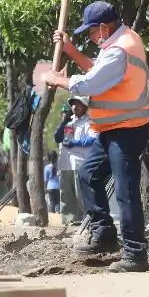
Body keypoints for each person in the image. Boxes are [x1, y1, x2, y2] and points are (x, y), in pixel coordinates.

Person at [43, 1, 149, 273]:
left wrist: (59, 80)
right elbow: (97, 71)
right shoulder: (117, 44)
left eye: (91, 32)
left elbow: (91, 83)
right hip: (113, 129)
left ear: (103, 28)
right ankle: (104, 233)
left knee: (126, 191)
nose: (91, 37)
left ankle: (135, 254)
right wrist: (71, 51)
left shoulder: (120, 50)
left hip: (127, 129)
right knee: (88, 174)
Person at [54, 96, 99, 225]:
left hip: (81, 163)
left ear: (85, 106)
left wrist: (75, 143)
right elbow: (58, 138)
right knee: (66, 194)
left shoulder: (90, 121)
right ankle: (68, 221)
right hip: (66, 163)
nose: (75, 107)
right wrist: (64, 121)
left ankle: (87, 220)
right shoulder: (69, 122)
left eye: (78, 104)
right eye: (73, 104)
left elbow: (93, 139)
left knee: (82, 194)